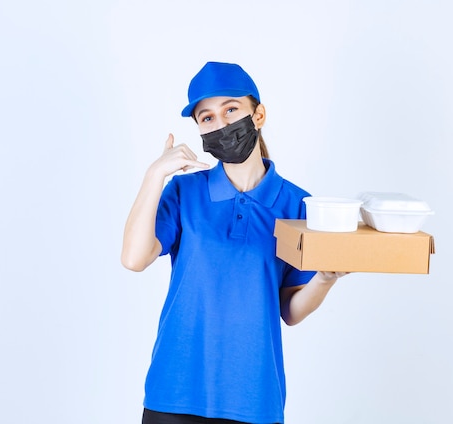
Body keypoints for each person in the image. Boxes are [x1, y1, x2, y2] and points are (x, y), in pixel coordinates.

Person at [121, 61, 346, 424]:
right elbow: (134, 258)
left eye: (231, 109)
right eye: (207, 117)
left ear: (258, 115)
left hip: (253, 398)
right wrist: (155, 174)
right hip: (175, 392)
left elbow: (289, 311)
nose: (221, 123)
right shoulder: (185, 192)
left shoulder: (298, 205)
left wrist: (326, 278)